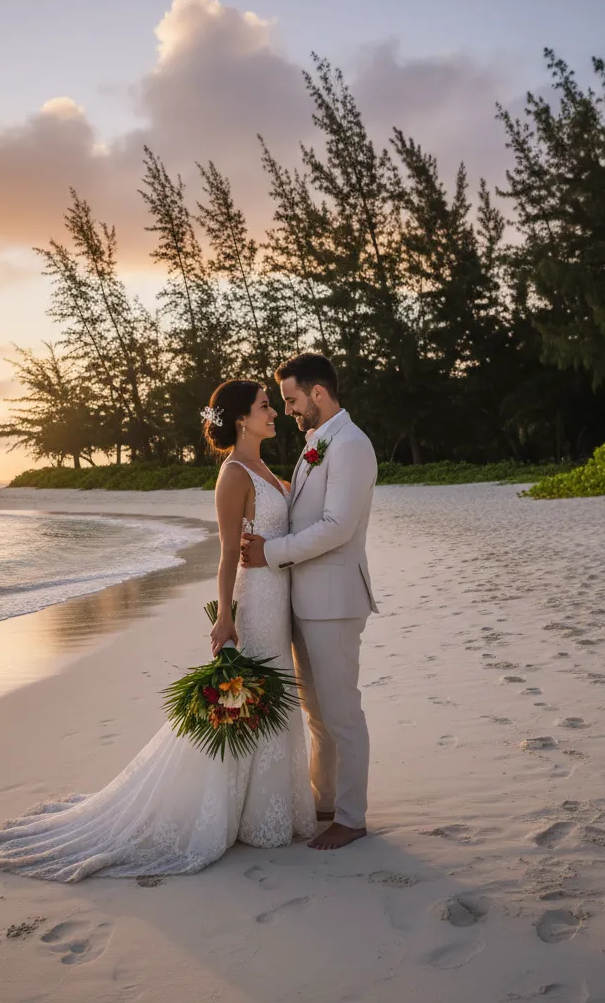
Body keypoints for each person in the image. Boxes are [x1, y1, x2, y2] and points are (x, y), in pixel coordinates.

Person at [0, 380, 315, 881]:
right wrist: (225, 616)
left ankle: (265, 810)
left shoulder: (266, 467)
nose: (274, 413)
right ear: (242, 418)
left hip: (277, 600)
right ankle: (235, 815)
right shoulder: (233, 475)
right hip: (255, 601)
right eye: (265, 406)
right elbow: (226, 554)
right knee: (248, 705)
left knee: (271, 697)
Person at [240, 353, 378, 850]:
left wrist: (271, 553)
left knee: (342, 713)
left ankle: (352, 817)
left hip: (335, 602)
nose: (288, 410)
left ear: (318, 392)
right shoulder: (316, 443)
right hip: (304, 601)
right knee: (318, 715)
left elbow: (337, 527)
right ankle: (326, 801)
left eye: (292, 399)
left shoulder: (351, 445)